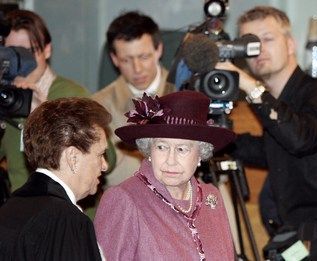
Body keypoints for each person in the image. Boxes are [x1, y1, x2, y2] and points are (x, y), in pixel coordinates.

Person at [216, 6, 317, 259]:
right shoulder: (272, 103)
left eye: (267, 39)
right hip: (300, 237)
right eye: (249, 43)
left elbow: (299, 138)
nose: (259, 49)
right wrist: (214, 136)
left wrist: (251, 87)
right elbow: (272, 151)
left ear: (290, 44)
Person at [94, 91, 236, 260]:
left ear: (200, 154)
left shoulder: (211, 197)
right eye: (162, 147)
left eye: (182, 149)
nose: (170, 160)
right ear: (149, 150)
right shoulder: (124, 199)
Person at [0, 97, 110, 260]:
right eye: (100, 155)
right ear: (73, 157)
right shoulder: (67, 221)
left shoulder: (10, 208)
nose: (105, 165)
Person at [0, 10, 91, 192]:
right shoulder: (7, 97)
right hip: (20, 210)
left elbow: (105, 159)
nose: (19, 61)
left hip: (64, 210)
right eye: (11, 53)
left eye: (26, 52)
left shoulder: (72, 95)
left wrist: (45, 117)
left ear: (47, 49)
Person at [93, 11, 175, 188]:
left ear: (158, 49)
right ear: (114, 59)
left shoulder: (186, 93)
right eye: (126, 60)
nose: (137, 69)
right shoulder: (98, 108)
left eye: (144, 57)